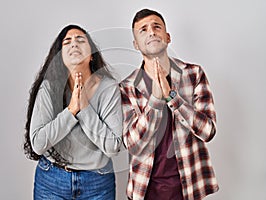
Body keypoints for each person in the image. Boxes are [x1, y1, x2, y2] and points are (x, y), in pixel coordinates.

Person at [120, 9, 219, 200]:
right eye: (143, 30)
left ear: (167, 36)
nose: (151, 32)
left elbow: (208, 131)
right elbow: (132, 144)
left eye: (156, 26)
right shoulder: (127, 88)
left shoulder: (193, 74)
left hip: (189, 185)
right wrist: (156, 101)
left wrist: (172, 97)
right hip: (145, 188)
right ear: (135, 44)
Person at [23, 24, 122, 200]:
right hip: (51, 180)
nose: (74, 44)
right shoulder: (49, 87)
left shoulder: (108, 88)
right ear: (60, 56)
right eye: (67, 42)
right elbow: (38, 144)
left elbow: (112, 147)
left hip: (97, 182)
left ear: (91, 55)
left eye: (80, 40)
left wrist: (84, 107)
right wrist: (71, 111)